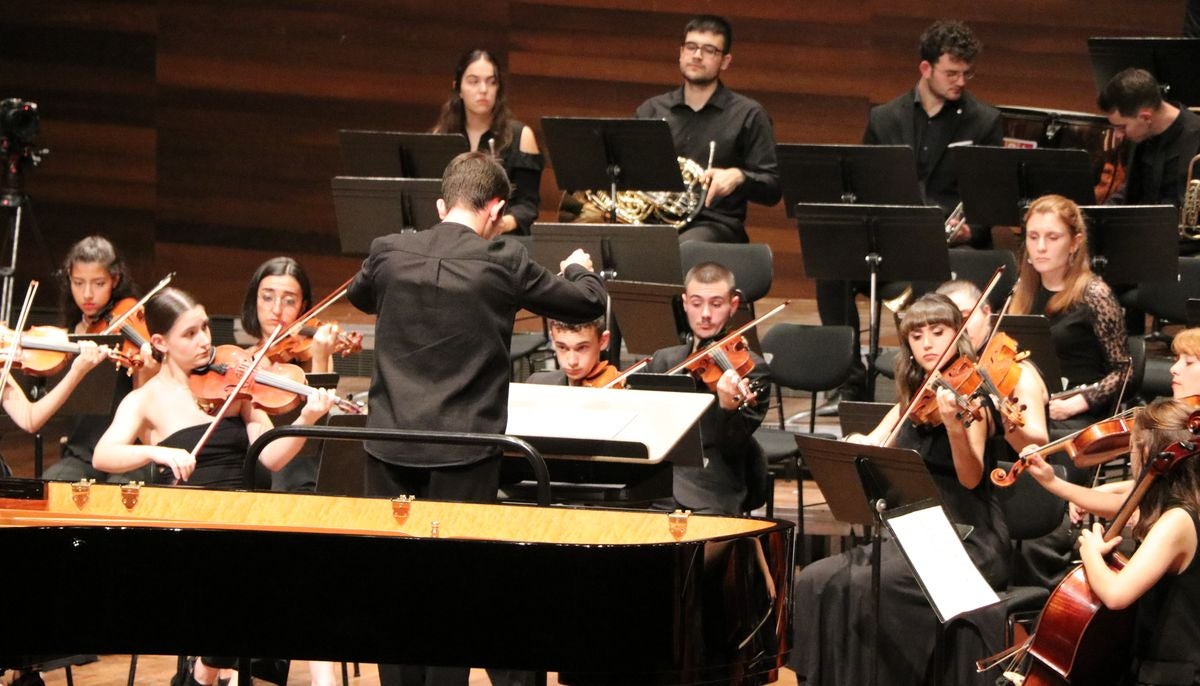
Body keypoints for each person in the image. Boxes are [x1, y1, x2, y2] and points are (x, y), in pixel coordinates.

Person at [347, 151, 605, 686]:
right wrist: (577, 265)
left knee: (393, 589)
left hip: (387, 447)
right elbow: (585, 302)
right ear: (496, 209)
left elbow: (358, 294)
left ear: (441, 204)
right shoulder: (504, 262)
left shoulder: (388, 251)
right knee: (456, 592)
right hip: (462, 455)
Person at [91, 287, 333, 686]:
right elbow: (104, 455)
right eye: (189, 334)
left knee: (306, 562)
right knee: (250, 573)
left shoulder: (235, 386)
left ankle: (205, 672)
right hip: (193, 529)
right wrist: (155, 453)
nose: (205, 340)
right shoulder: (147, 399)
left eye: (205, 328)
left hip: (246, 517)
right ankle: (213, 668)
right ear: (159, 342)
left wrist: (307, 418)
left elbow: (269, 457)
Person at [790, 292, 1010, 686]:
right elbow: (875, 441)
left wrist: (955, 427)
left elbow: (971, 478)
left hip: (967, 536)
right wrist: (853, 445)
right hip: (914, 535)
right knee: (815, 578)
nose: (927, 343)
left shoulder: (974, 399)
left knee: (866, 584)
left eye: (937, 332)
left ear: (957, 334)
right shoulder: (916, 396)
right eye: (917, 335)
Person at [818, 19, 1004, 403]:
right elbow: (861, 182)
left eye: (967, 73)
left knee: (935, 276)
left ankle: (930, 377)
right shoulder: (885, 118)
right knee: (832, 268)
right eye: (951, 73)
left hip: (948, 245)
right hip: (892, 238)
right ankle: (851, 377)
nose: (961, 81)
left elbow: (989, 198)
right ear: (926, 69)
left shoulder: (983, 121)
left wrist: (971, 229)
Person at [1028, 398, 1200, 685]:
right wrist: (1054, 483)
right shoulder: (1181, 505)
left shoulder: (1177, 520)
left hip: (1170, 675)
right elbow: (1121, 502)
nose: (1131, 456)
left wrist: (1091, 551)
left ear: (1145, 452)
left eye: (1132, 447)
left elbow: (1116, 594)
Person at [634, 14, 781, 244]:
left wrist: (740, 176)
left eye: (709, 50)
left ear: (725, 61)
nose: (697, 55)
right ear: (681, 52)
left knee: (680, 247)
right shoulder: (651, 110)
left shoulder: (748, 114)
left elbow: (773, 186)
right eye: (691, 47)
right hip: (654, 220)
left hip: (715, 224)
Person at [644, 262, 770, 515]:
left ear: (732, 305)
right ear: (684, 303)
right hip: (654, 483)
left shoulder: (752, 369)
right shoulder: (663, 361)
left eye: (716, 304)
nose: (705, 314)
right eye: (696, 302)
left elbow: (732, 447)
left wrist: (727, 407)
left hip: (712, 488)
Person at [1011, 194, 1129, 435]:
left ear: (1075, 243)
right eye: (1033, 237)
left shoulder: (1095, 295)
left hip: (1073, 410)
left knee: (1017, 434)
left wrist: (1079, 402)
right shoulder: (1022, 290)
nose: (1040, 247)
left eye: (1052, 237)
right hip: (1029, 404)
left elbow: (1125, 371)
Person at [42, 235, 151, 483]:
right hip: (82, 451)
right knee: (53, 485)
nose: (87, 294)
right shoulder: (73, 327)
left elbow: (145, 391)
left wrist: (145, 368)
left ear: (115, 279)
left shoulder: (129, 313)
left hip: (126, 448)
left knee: (119, 493)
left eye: (98, 283)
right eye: (78, 283)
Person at [433, 49, 542, 236]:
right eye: (473, 81)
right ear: (458, 87)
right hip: (452, 238)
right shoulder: (441, 136)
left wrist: (499, 224)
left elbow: (527, 207)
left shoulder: (521, 135)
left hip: (503, 241)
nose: (483, 90)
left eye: (491, 82)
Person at [935, 279, 1050, 454]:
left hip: (1007, 475)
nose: (960, 329)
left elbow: (1040, 446)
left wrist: (1009, 422)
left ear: (986, 312)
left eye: (965, 317)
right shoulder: (944, 369)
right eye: (950, 323)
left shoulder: (1019, 373)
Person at [1099, 68, 1200, 211]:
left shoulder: (1196, 138)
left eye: (1121, 127)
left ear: (1146, 117)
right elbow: (1132, 192)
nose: (1118, 135)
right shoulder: (1141, 135)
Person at [241, 256, 336, 374]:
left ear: (302, 307)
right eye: (267, 298)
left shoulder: (315, 356)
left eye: (289, 301)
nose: (276, 310)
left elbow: (322, 392)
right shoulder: (241, 361)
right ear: (255, 301)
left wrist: (320, 360)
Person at [526, 316, 617, 387]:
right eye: (562, 347)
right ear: (553, 338)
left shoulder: (614, 387)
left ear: (603, 341)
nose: (572, 362)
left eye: (582, 348)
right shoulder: (536, 383)